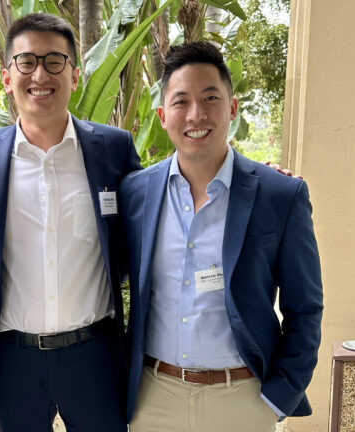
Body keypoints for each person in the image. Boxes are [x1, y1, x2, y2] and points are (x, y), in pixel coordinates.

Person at [0, 13, 140, 432]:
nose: (40, 74)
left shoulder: (113, 149)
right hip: (11, 358)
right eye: (27, 61)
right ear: (6, 76)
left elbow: (153, 216)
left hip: (96, 354)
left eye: (55, 61)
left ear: (75, 75)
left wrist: (257, 185)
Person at [120, 41, 323, 432]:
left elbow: (305, 308)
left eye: (210, 97)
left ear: (231, 107)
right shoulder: (135, 193)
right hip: (154, 398)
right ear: (163, 116)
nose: (196, 114)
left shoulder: (280, 195)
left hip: (241, 400)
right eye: (181, 101)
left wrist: (281, 396)